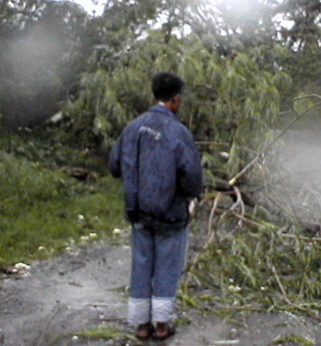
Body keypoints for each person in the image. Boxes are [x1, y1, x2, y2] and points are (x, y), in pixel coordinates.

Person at [108, 72, 203, 340]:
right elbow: (193, 178)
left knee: (141, 264)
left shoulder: (132, 128)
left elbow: (115, 165)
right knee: (167, 267)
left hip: (138, 212)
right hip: (170, 215)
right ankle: (162, 326)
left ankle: (141, 326)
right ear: (175, 99)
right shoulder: (179, 132)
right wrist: (186, 195)